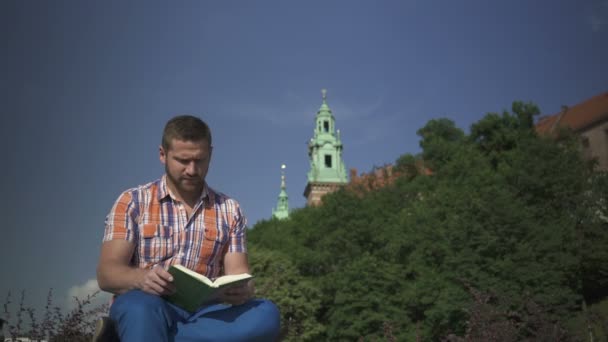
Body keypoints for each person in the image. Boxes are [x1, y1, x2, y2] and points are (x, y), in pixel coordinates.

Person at [96, 115, 280, 342]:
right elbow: (106, 274)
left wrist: (244, 289)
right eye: (183, 160)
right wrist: (141, 278)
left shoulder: (230, 210)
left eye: (200, 160)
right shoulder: (133, 201)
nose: (192, 170)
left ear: (210, 155)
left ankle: (131, 336)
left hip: (205, 314)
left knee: (266, 314)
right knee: (140, 311)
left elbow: (239, 273)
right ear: (162, 155)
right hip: (147, 304)